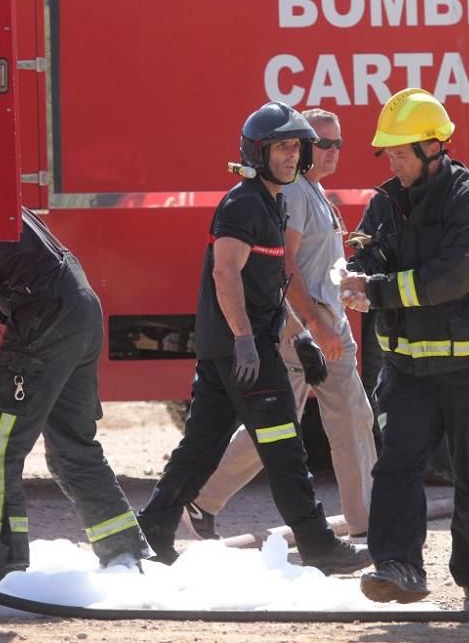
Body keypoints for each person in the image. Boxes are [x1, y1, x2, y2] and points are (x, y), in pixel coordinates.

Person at [136, 101, 371, 575]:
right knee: (285, 448)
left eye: (295, 148)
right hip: (245, 353)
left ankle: (152, 532)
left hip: (242, 348)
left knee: (199, 447)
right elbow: (227, 273)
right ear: (257, 153)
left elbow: (269, 283)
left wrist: (298, 334)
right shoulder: (243, 204)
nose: (291, 156)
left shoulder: (271, 201)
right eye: (281, 147)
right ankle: (319, 543)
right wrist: (245, 338)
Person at [338, 88, 469, 610]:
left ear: (435, 146)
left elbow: (453, 278)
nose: (392, 162)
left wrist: (378, 291)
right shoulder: (383, 204)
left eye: (401, 152)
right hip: (408, 367)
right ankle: (398, 567)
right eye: (387, 152)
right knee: (396, 465)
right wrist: (354, 279)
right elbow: (365, 255)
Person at [0, 208, 150, 582]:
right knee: (72, 449)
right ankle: (125, 557)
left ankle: (6, 573)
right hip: (77, 306)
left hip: (46, 314)